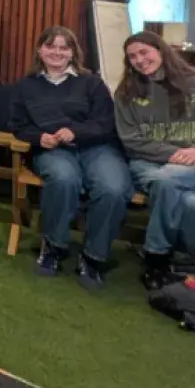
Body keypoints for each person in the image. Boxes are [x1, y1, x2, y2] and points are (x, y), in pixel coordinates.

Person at [11, 26, 132, 289]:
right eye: (50, 46)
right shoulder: (26, 86)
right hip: (53, 149)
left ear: (73, 52)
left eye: (64, 47)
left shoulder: (92, 83)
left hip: (96, 147)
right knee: (64, 179)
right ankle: (53, 246)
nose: (57, 52)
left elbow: (106, 123)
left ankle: (93, 256)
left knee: (112, 188)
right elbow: (17, 125)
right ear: (39, 50)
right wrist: (38, 137)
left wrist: (75, 131)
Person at [115, 31, 195, 284]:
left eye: (144, 52)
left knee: (168, 179)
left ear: (161, 50)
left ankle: (156, 255)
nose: (139, 60)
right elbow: (131, 140)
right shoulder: (126, 93)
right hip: (147, 165)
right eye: (132, 56)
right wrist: (184, 157)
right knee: (189, 202)